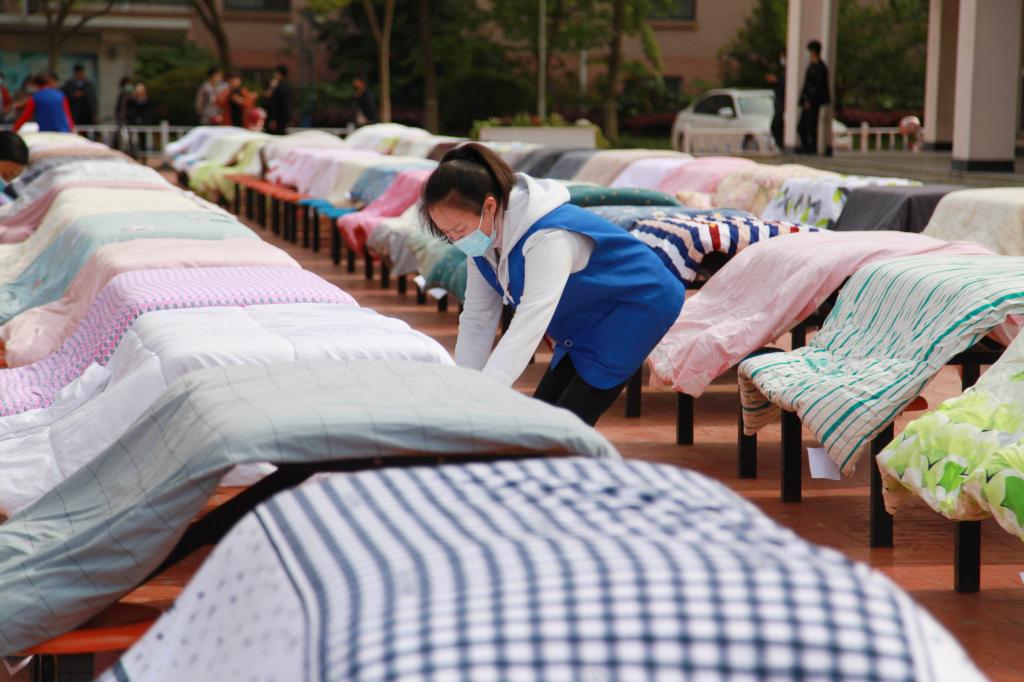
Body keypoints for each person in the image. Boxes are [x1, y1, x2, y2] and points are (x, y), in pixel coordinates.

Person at [421, 143, 685, 426]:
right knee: (542, 418)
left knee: (564, 424)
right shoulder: (482, 242)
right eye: (448, 234)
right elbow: (477, 319)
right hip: (588, 315)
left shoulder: (548, 237)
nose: (457, 240)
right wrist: (464, 389)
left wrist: (488, 392)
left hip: (639, 305)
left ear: (489, 206)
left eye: (459, 229)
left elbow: (529, 322)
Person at [798, 40, 830, 155]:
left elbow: (818, 87)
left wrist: (810, 100)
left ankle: (812, 148)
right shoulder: (811, 66)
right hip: (807, 100)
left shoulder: (821, 68)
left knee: (812, 125)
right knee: (801, 126)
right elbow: (806, 85)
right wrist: (803, 99)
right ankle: (806, 147)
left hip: (814, 102)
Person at [262, 64, 293, 134]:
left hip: (275, 120)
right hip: (284, 119)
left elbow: (271, 102)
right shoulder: (288, 87)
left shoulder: (277, 88)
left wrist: (273, 119)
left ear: (279, 74)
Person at [767, 52, 785, 151]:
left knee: (777, 124)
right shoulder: (781, 70)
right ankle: (780, 145)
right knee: (776, 125)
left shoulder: (787, 71)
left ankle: (781, 145)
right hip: (779, 100)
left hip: (782, 102)